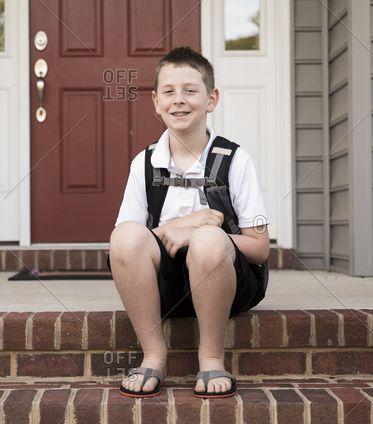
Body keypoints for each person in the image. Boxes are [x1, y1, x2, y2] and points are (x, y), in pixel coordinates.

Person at [108, 47, 269, 399]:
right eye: (168, 91)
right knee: (123, 238)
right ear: (155, 101)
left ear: (211, 99)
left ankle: (211, 357)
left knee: (209, 240)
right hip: (165, 289)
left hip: (225, 279)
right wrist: (179, 227)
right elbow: (127, 243)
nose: (178, 100)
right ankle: (153, 353)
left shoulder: (234, 159)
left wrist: (203, 233)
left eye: (190, 90)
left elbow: (259, 248)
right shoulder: (145, 163)